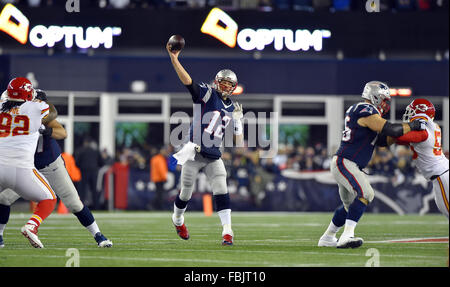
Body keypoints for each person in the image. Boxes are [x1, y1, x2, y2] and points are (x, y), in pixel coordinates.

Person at [317, 81, 426, 249]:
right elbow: (391, 129)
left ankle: (328, 237)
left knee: (349, 207)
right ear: (374, 96)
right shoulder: (366, 109)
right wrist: (411, 126)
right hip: (346, 162)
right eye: (383, 99)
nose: (385, 104)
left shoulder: (365, 112)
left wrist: (406, 135)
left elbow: (383, 140)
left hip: (346, 163)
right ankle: (347, 236)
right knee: (366, 193)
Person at [0, 89, 112, 248]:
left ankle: (98, 235)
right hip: (24, 166)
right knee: (4, 198)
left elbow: (62, 132)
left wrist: (47, 130)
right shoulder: (13, 115)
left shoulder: (41, 114)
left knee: (73, 202)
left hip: (49, 164)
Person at [166, 41, 244, 245]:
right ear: (217, 82)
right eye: (223, 82)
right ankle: (177, 219)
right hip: (194, 151)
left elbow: (239, 142)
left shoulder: (231, 108)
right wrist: (175, 59)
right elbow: (188, 82)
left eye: (229, 84)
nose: (225, 86)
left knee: (221, 188)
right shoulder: (207, 94)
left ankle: (228, 231)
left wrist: (238, 123)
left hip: (213, 154)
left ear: (233, 87)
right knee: (186, 192)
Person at [0, 77, 57, 248]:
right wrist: (40, 98)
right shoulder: (37, 107)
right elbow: (52, 113)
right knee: (49, 199)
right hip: (22, 169)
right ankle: (32, 225)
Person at [390, 99, 448, 218]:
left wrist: (384, 129)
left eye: (412, 111)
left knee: (446, 209)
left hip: (441, 175)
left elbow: (400, 138)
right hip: (442, 173)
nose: (409, 114)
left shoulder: (423, 130)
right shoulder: (433, 126)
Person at [75, 138, 103, 210]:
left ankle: (82, 207)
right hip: (94, 171)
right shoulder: (95, 151)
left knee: (83, 190)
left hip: (84, 171)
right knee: (94, 190)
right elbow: (101, 162)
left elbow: (77, 162)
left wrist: (81, 167)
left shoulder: (81, 151)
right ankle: (96, 207)